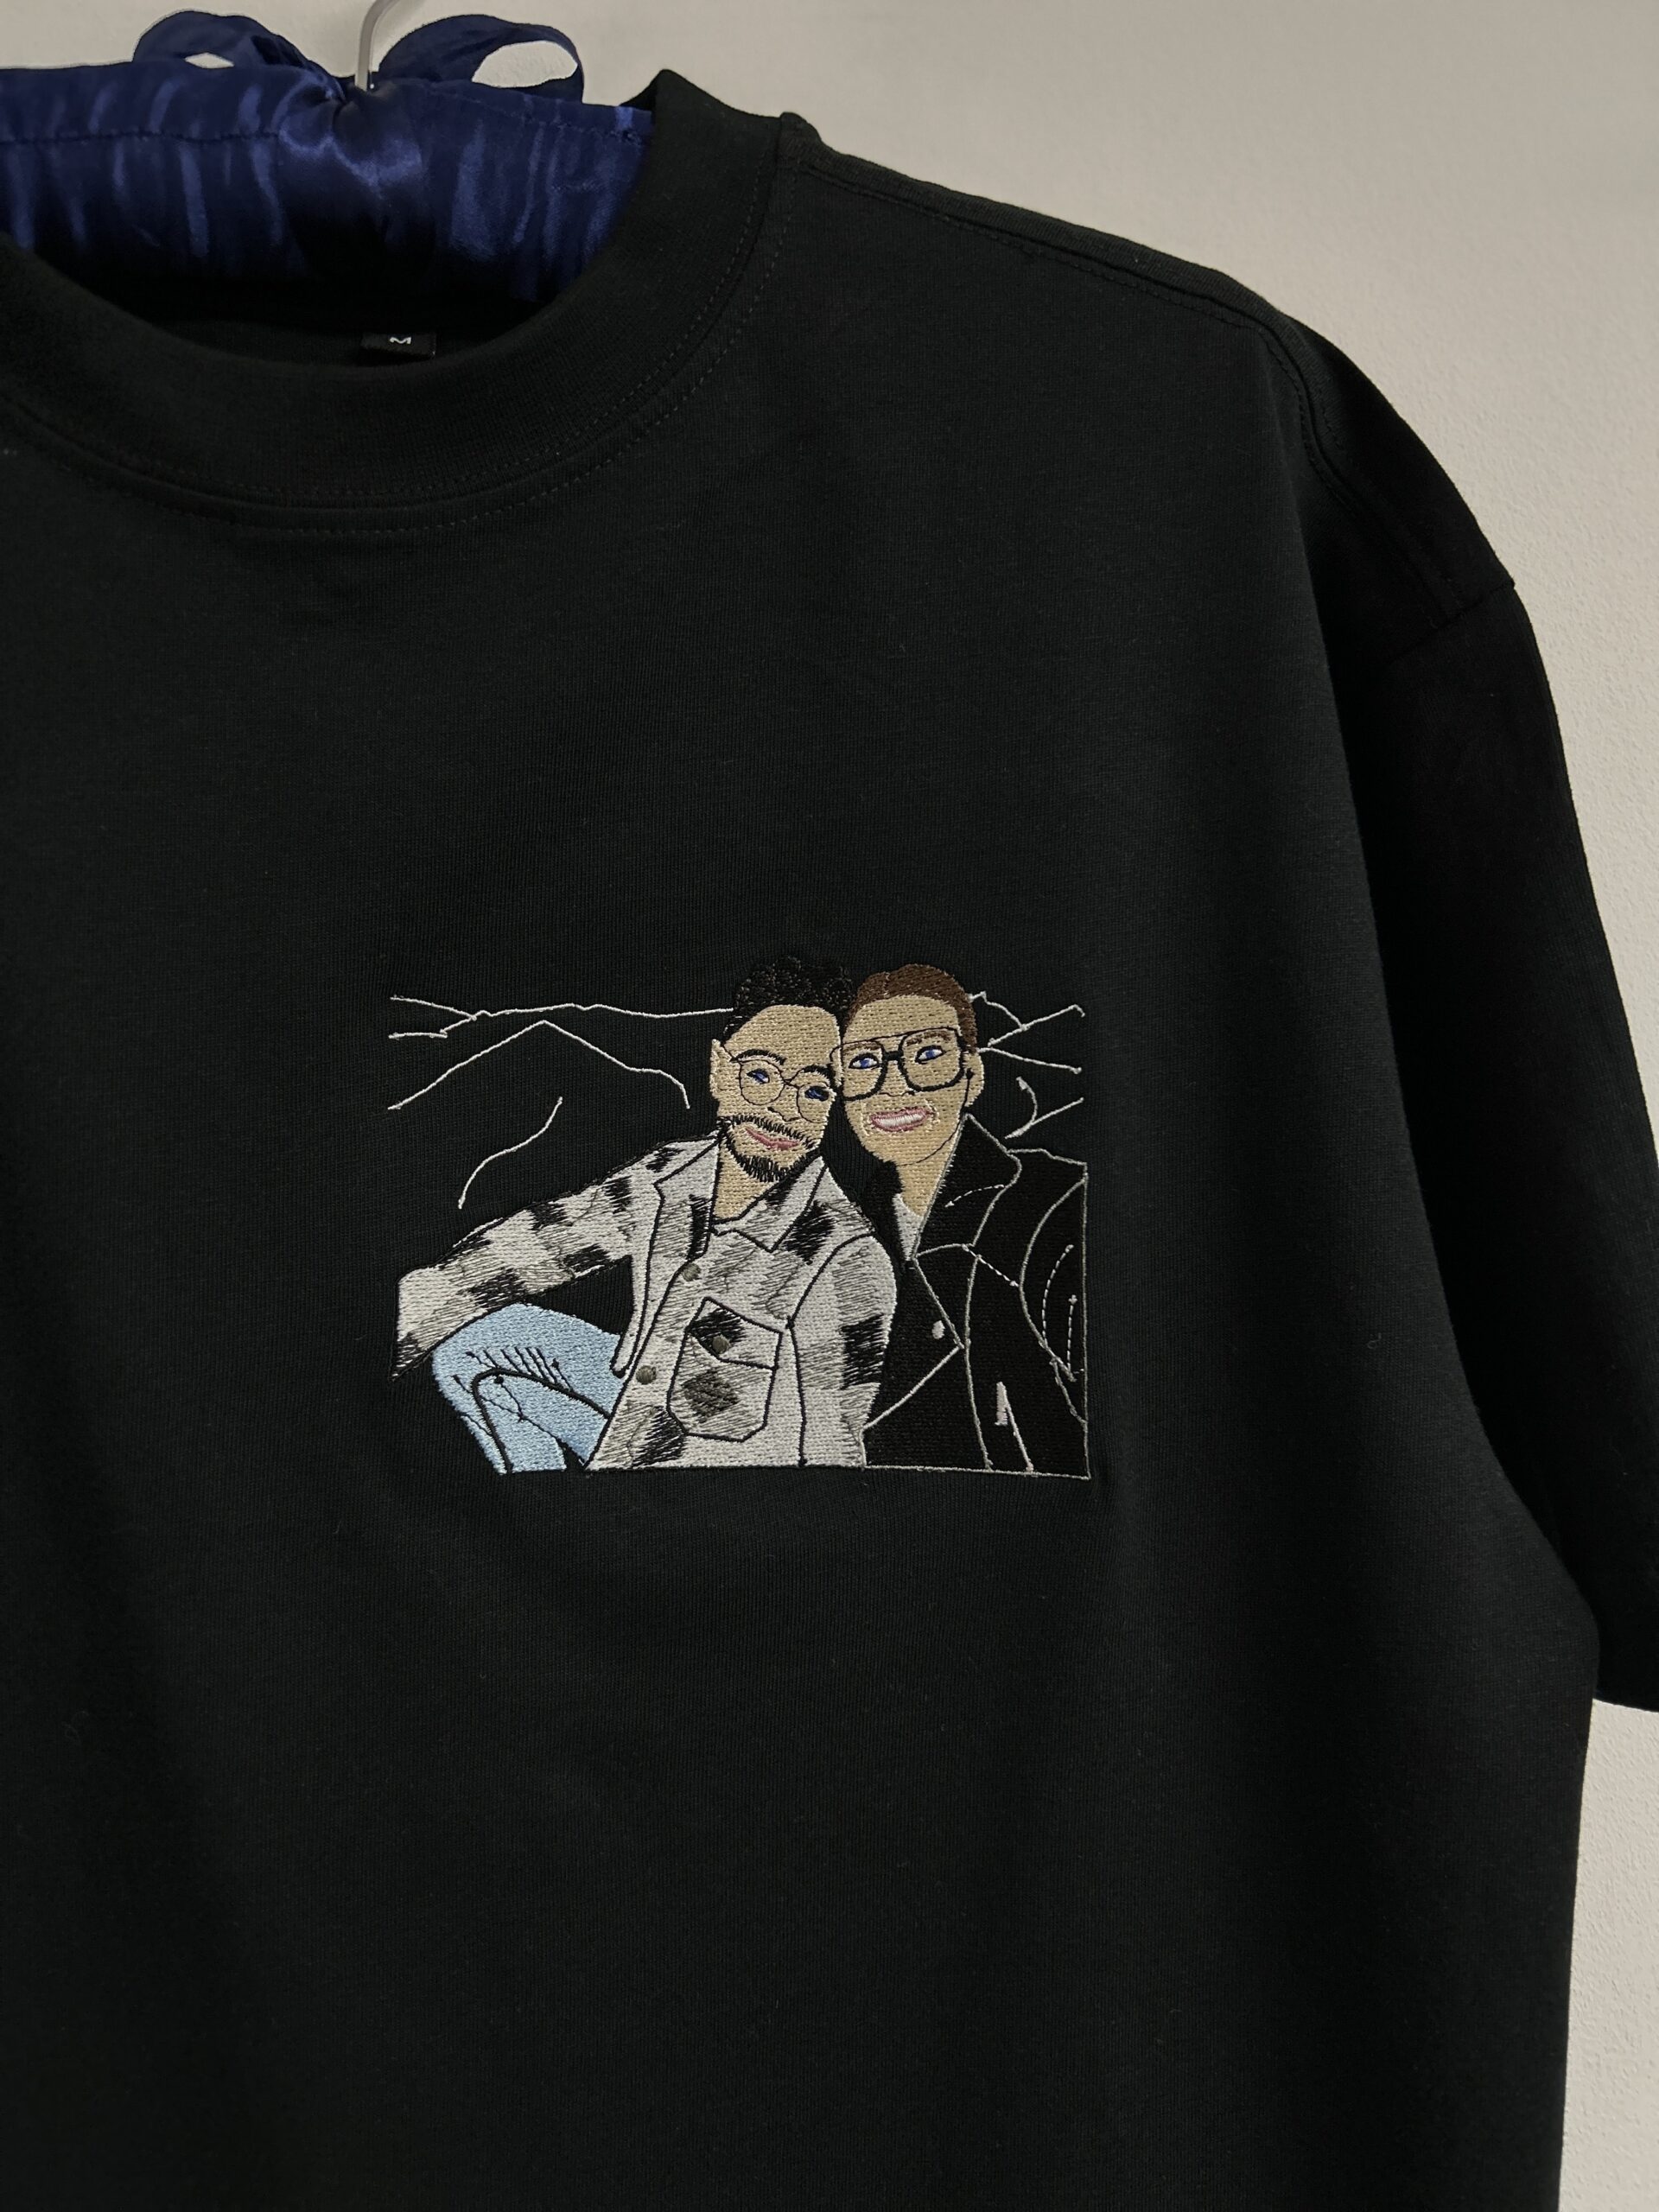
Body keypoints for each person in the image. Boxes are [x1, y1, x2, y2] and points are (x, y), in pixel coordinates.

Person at [393, 957, 897, 1470]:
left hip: (713, 1477)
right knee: (472, 1346)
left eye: (814, 1091)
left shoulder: (848, 1258)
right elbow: (536, 1246)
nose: (782, 1109)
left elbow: (834, 1442)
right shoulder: (670, 1173)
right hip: (639, 1406)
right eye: (761, 1075)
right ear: (720, 1071)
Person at [836, 963, 1087, 1476]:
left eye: (927, 1055)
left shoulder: (1051, 1203)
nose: (893, 1086)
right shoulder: (842, 1229)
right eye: (864, 1062)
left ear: (972, 1075)